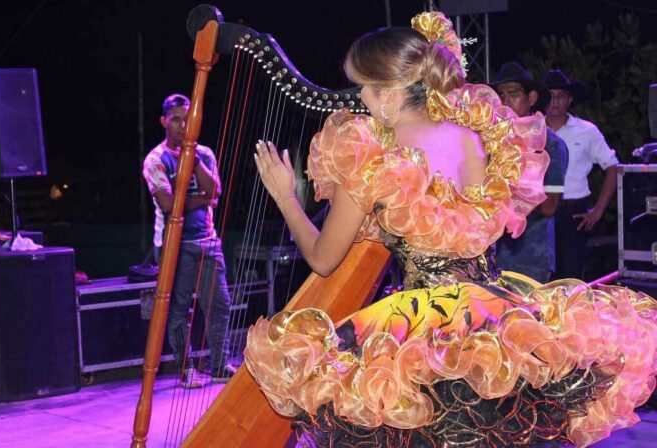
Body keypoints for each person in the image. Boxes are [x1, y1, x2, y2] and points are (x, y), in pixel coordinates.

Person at [244, 12, 657, 447]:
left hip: (421, 329)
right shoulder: (474, 139)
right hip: (495, 315)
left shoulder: (369, 160)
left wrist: (287, 198)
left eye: (364, 86)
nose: (360, 97)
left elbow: (323, 259)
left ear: (389, 92)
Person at [142, 93, 236, 388]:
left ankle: (220, 365)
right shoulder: (156, 160)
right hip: (174, 244)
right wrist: (201, 198)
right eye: (176, 120)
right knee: (180, 308)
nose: (183, 125)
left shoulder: (204, 154)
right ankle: (186, 370)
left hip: (208, 239)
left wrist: (194, 164)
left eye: (187, 119)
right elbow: (169, 205)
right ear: (164, 122)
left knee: (219, 304)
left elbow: (216, 193)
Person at [491, 62, 569, 282]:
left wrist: (507, 196)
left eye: (513, 93)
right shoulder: (494, 139)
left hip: (530, 259)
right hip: (494, 257)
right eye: (501, 94)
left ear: (532, 98)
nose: (504, 100)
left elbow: (549, 207)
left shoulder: (549, 144)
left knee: (525, 316)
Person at [543, 68, 619, 280]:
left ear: (570, 100)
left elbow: (612, 167)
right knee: (541, 275)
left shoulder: (586, 131)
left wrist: (598, 211)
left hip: (573, 211)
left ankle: (571, 312)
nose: (555, 101)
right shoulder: (533, 130)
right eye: (550, 96)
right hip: (540, 210)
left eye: (561, 96)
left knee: (571, 276)